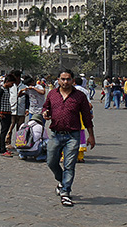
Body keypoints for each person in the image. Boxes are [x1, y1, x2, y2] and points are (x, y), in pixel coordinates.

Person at [42, 68, 95, 207]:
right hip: (55, 134)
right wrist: (45, 113)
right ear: (58, 80)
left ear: (73, 80)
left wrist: (91, 136)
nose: (65, 82)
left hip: (73, 135)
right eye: (63, 79)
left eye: (68, 79)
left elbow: (86, 116)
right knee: (51, 162)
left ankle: (65, 192)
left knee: (69, 165)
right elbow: (45, 107)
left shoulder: (80, 96)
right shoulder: (52, 94)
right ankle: (61, 181)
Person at [0, 73, 15, 157]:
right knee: (3, 131)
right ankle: (2, 149)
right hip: (3, 113)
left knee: (6, 130)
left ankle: (4, 148)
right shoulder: (1, 89)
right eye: (12, 83)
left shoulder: (7, 89)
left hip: (8, 112)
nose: (12, 85)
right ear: (7, 81)